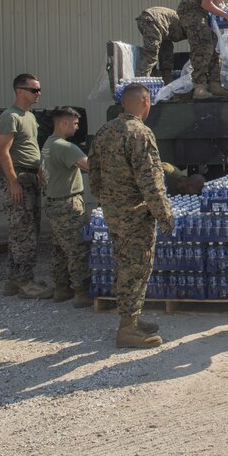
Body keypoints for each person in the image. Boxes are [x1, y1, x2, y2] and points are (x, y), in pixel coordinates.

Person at [88, 83, 175, 349]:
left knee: (124, 265)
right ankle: (127, 328)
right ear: (146, 102)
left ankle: (131, 319)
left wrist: (108, 200)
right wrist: (165, 215)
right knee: (136, 269)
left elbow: (93, 174)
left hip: (113, 212)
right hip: (136, 215)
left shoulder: (104, 131)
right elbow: (151, 181)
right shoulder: (140, 132)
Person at [0, 73, 53, 299]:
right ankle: (25, 282)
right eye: (34, 90)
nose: (38, 94)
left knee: (27, 231)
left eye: (39, 90)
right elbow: (3, 151)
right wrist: (13, 182)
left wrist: (40, 173)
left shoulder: (29, 117)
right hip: (18, 179)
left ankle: (14, 280)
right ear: (20, 91)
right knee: (24, 234)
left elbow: (33, 150)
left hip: (30, 178)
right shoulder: (10, 117)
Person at [41, 107, 93, 308]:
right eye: (75, 123)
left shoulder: (48, 144)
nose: (77, 126)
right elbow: (90, 165)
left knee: (60, 249)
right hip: (68, 203)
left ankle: (62, 287)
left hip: (54, 201)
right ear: (64, 123)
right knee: (77, 248)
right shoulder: (66, 147)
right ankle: (82, 292)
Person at [135, 6, 186, 83]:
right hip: (152, 20)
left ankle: (167, 77)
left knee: (167, 48)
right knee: (151, 52)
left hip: (157, 23)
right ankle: (141, 80)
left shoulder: (181, 22)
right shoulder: (189, 24)